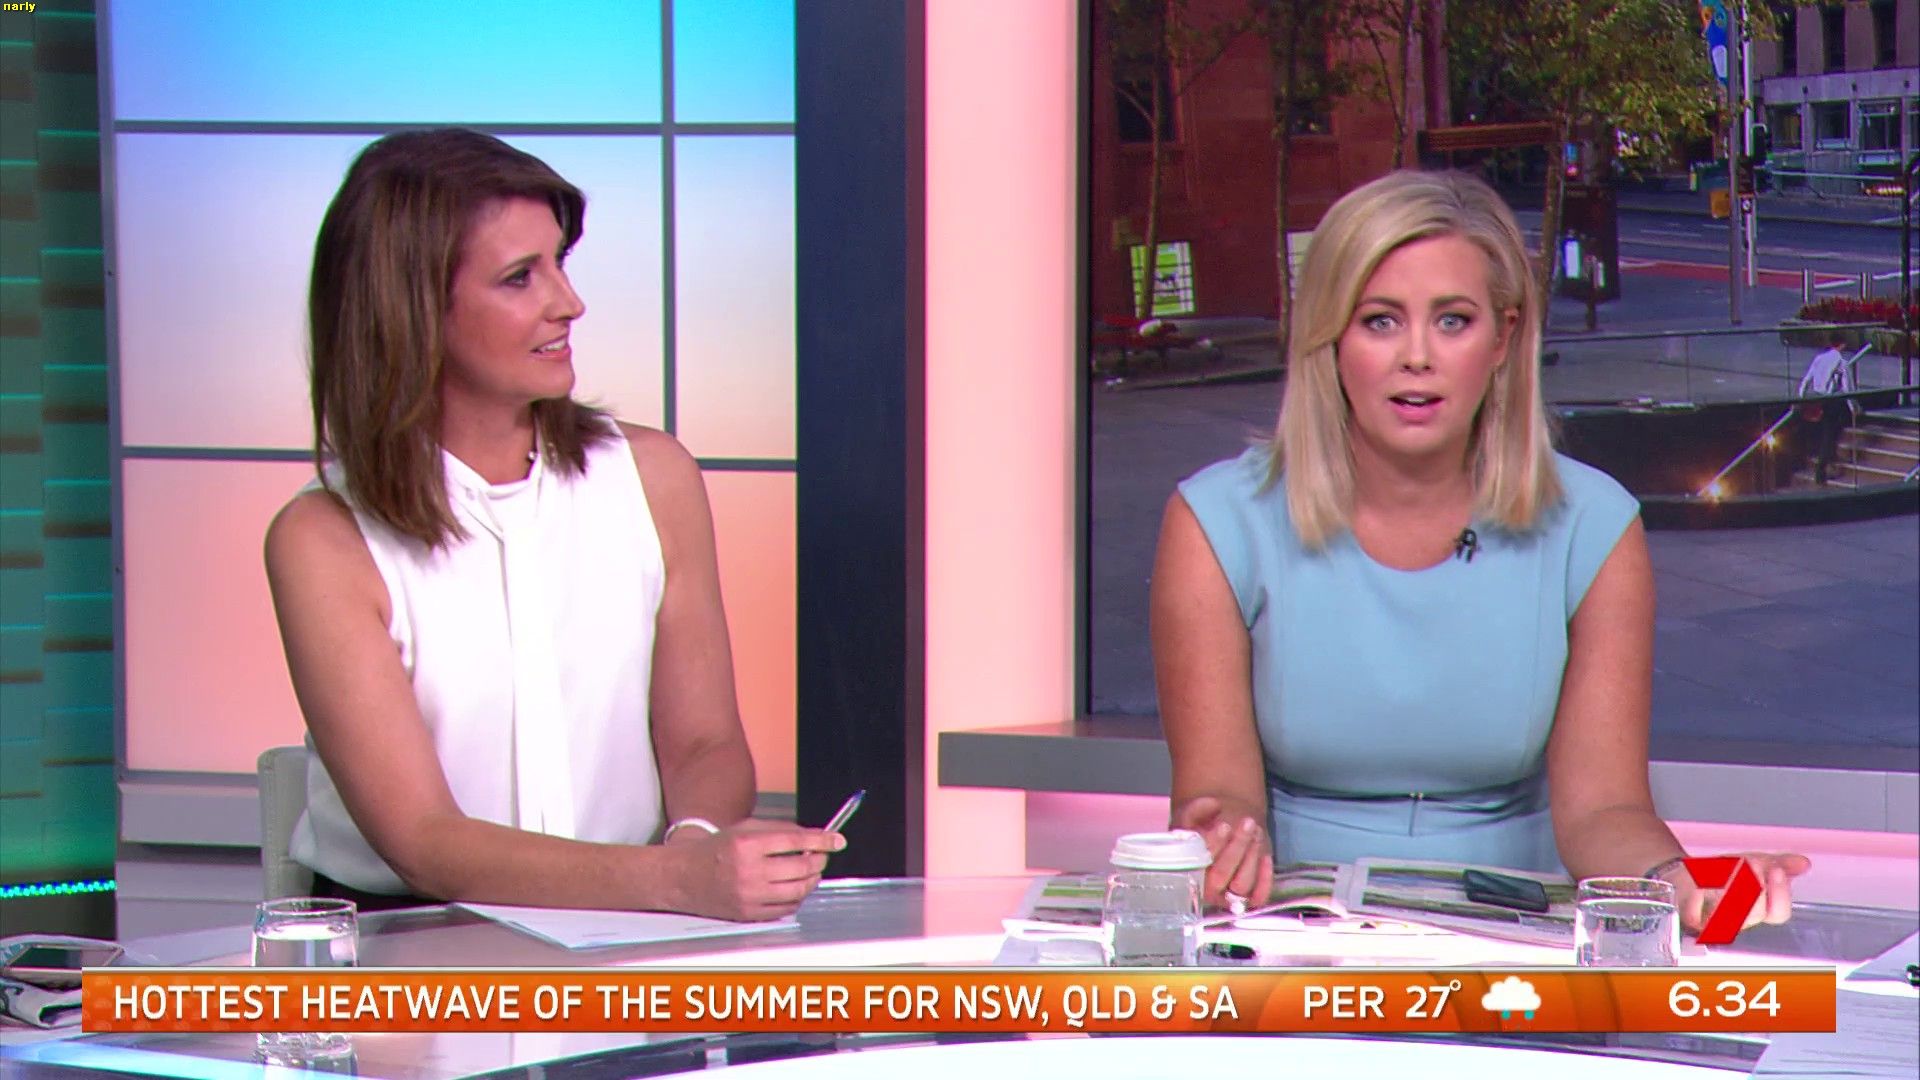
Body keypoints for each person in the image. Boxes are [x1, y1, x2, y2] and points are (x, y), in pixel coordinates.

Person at [1151, 170, 1808, 935]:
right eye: (1380, 321)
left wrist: (1675, 881)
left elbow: (1603, 808)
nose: (1417, 357)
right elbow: (1220, 795)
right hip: (1295, 935)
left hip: (1514, 934)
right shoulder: (1216, 523)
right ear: (1329, 339)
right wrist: (1221, 842)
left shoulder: (1592, 525)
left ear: (1502, 337)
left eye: (1453, 321)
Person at [265, 129, 840, 920]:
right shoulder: (322, 541)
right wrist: (679, 882)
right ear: (412, 312)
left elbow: (705, 743)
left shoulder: (653, 479)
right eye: (519, 277)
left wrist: (693, 847)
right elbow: (424, 840)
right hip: (408, 942)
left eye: (560, 263)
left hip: (631, 922)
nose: (568, 302)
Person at [1796, 330, 1856, 484]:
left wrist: (1800, 399)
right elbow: (1847, 389)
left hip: (1817, 398)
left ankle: (1830, 457)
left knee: (1824, 433)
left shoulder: (1819, 358)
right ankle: (1821, 469)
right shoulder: (1842, 363)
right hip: (1831, 402)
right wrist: (1853, 407)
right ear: (1843, 345)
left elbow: (1806, 380)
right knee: (1829, 435)